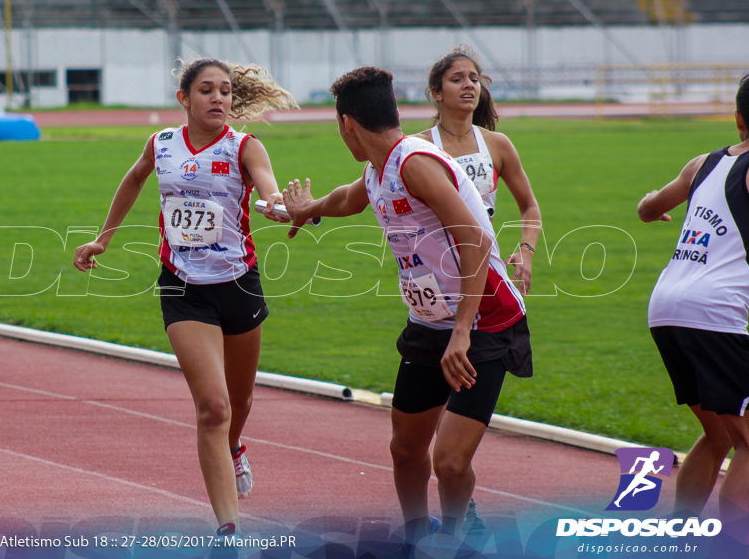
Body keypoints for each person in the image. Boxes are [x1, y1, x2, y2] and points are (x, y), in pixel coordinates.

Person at [282, 66, 531, 549]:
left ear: (346, 124)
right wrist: (307, 208)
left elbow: (476, 241)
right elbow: (349, 200)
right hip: (428, 322)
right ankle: (417, 538)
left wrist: (462, 331)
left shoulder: (415, 162)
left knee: (450, 462)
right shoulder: (379, 169)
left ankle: (455, 539)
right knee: (405, 448)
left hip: (486, 319)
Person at [74, 58, 295, 537]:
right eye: (206, 90)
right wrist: (103, 239)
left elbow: (270, 192)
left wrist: (283, 207)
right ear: (185, 99)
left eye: (225, 92)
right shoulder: (162, 144)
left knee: (239, 402)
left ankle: (235, 447)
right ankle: (228, 529)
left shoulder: (245, 147)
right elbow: (134, 178)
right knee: (213, 407)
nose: (218, 98)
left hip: (238, 284)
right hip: (182, 288)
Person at [416, 47, 542, 533]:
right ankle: (459, 508)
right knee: (433, 430)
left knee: (453, 442)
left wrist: (525, 252)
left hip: (486, 292)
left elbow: (530, 208)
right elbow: (371, 187)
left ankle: (459, 514)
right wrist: (308, 209)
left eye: (475, 78)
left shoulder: (498, 145)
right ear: (436, 92)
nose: (469, 85)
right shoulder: (419, 146)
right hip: (433, 297)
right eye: (456, 78)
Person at [638, 73, 749, 534]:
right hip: (714, 313)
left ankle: (679, 533)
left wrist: (656, 207)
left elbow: (647, 207)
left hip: (666, 308)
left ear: (738, 118)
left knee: (720, 433)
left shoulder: (703, 163)